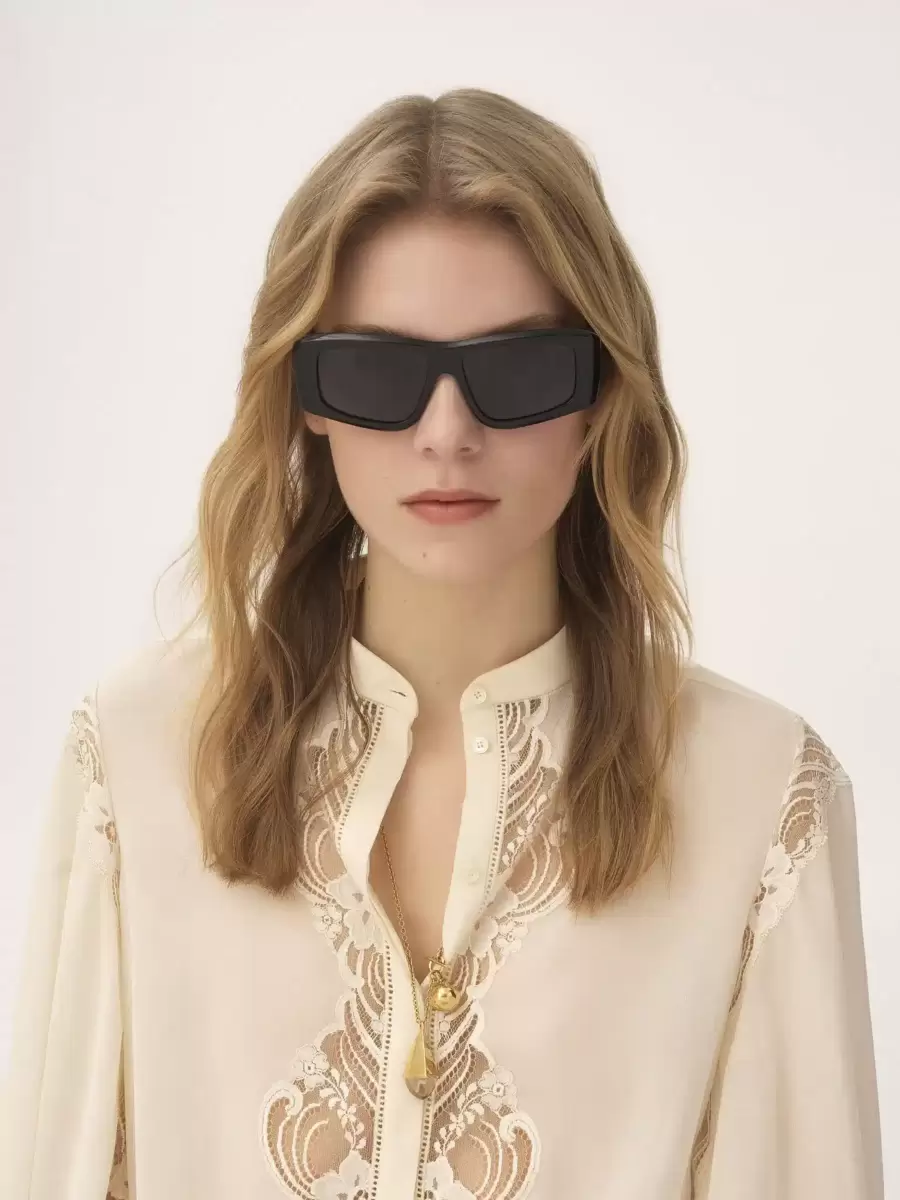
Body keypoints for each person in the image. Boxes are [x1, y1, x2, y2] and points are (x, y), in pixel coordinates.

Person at [1, 87, 883, 1200]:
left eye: (518, 371)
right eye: (378, 372)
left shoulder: (763, 801)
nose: (447, 434)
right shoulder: (134, 765)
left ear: (600, 392)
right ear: (308, 396)